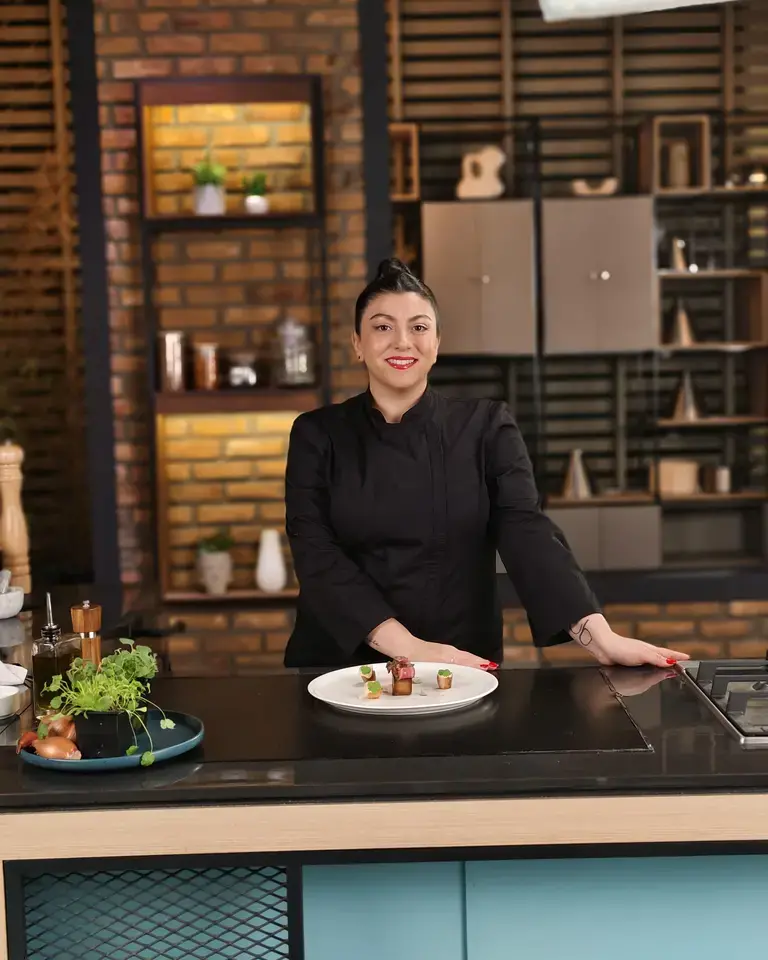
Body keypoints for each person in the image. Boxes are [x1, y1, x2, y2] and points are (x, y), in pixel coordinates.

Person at [282, 258, 690, 672]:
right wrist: (408, 647)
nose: (403, 341)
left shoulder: (484, 425)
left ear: (436, 344)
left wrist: (599, 637)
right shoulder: (317, 434)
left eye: (419, 327)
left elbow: (525, 528)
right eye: (383, 327)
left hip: (458, 662)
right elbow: (316, 553)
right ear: (357, 343)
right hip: (343, 666)